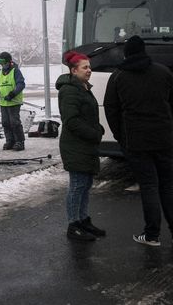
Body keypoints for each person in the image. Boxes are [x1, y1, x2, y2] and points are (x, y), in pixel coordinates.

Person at [104, 35, 173, 246]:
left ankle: (152, 235)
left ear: (126, 53)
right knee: (167, 186)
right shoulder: (163, 72)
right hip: (164, 139)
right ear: (144, 51)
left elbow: (111, 109)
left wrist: (119, 135)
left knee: (149, 186)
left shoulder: (118, 76)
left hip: (136, 141)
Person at [56, 51, 106, 241]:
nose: (89, 70)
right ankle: (73, 224)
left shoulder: (83, 87)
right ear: (74, 70)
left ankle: (83, 220)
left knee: (85, 185)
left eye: (89, 67)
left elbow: (87, 115)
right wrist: (94, 133)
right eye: (85, 67)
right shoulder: (69, 90)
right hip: (75, 145)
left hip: (85, 144)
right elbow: (72, 120)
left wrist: (97, 128)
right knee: (77, 186)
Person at [0, 52, 26, 151]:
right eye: (1, 63)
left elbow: (21, 84)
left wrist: (12, 94)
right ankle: (10, 141)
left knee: (14, 122)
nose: (2, 65)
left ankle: (19, 141)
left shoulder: (15, 71)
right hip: (3, 103)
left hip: (14, 102)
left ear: (9, 61)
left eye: (4, 63)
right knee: (5, 122)